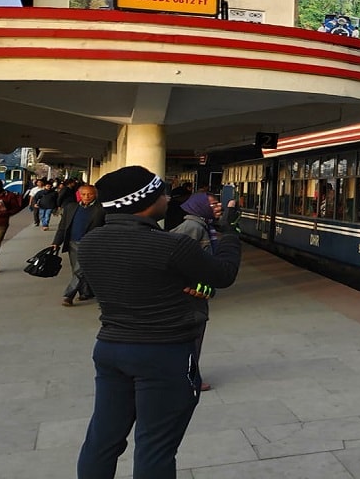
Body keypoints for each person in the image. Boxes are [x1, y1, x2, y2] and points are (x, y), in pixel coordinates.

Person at [75, 166, 241, 479]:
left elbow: (137, 279)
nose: (168, 197)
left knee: (102, 440)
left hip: (110, 349)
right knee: (156, 447)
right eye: (161, 192)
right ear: (145, 202)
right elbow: (224, 274)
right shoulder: (171, 246)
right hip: (165, 354)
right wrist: (229, 231)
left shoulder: (90, 243)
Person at [167, 192, 224, 391]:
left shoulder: (203, 226)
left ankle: (187, 375)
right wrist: (185, 284)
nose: (218, 207)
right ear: (200, 207)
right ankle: (189, 379)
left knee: (193, 335)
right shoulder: (193, 227)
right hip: (189, 296)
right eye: (214, 204)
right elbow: (174, 258)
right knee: (192, 336)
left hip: (196, 292)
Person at [53, 183, 105, 307]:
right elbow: (63, 226)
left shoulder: (102, 210)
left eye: (90, 194)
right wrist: (56, 242)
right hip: (73, 243)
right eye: (83, 194)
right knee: (77, 269)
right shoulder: (71, 207)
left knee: (79, 270)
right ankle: (86, 292)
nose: (86, 196)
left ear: (95, 195)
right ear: (79, 195)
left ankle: (68, 295)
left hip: (91, 244)